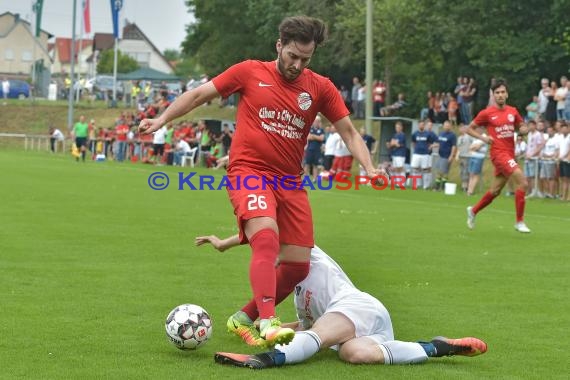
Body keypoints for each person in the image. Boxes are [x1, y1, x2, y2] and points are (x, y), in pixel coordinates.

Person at [138, 15, 380, 347]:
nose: (297, 65)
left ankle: (243, 319)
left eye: (305, 59)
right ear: (279, 46)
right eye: (292, 56)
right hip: (248, 173)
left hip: (290, 182)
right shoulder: (250, 71)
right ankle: (268, 321)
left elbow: (350, 133)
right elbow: (198, 96)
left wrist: (368, 167)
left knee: (297, 266)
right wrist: (161, 118)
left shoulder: (321, 87)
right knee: (266, 239)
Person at [196, 234, 487, 369]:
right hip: (364, 332)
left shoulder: (307, 254)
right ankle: (437, 347)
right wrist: (269, 329)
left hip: (359, 307)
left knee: (320, 338)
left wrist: (226, 242)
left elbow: (264, 230)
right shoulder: (298, 298)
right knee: (354, 354)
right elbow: (306, 327)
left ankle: (263, 362)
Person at [465, 79, 530, 233]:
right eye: (497, 93)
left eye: (502, 92)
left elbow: (522, 125)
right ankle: (519, 222)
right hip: (498, 154)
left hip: (510, 154)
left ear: (507, 94)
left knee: (495, 191)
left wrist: (524, 129)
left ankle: (473, 211)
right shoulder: (486, 113)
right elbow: (469, 129)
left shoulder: (513, 111)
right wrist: (483, 138)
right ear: (493, 95)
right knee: (523, 183)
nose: (500, 95)